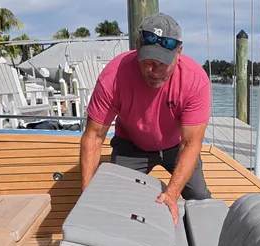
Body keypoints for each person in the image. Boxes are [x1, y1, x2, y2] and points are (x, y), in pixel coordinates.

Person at [79, 13, 212, 226]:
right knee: (118, 203)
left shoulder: (195, 81)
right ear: (138, 46)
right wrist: (87, 192)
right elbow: (94, 136)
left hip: (176, 145)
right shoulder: (113, 77)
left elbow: (191, 143)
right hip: (131, 145)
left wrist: (171, 194)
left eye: (163, 63)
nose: (154, 71)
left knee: (199, 196)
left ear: (179, 52)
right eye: (148, 61)